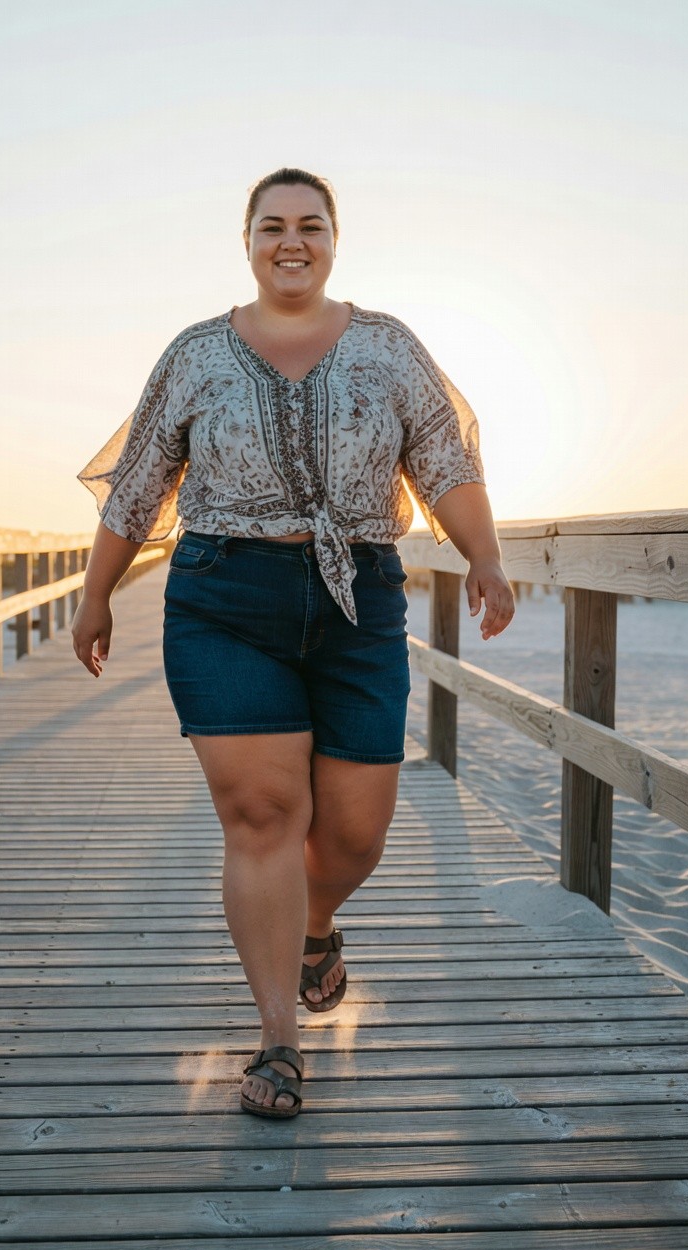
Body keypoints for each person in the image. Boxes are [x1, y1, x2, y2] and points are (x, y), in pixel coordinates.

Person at [72, 167, 515, 1119]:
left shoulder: (389, 346)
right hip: (223, 598)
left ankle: (316, 923)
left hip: (359, 602)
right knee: (264, 815)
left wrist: (485, 556)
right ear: (247, 239)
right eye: (273, 225)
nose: (292, 240)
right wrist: (95, 594)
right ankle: (279, 1038)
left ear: (333, 238)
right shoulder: (196, 352)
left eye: (310, 225)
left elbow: (444, 458)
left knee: (354, 833)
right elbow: (139, 484)